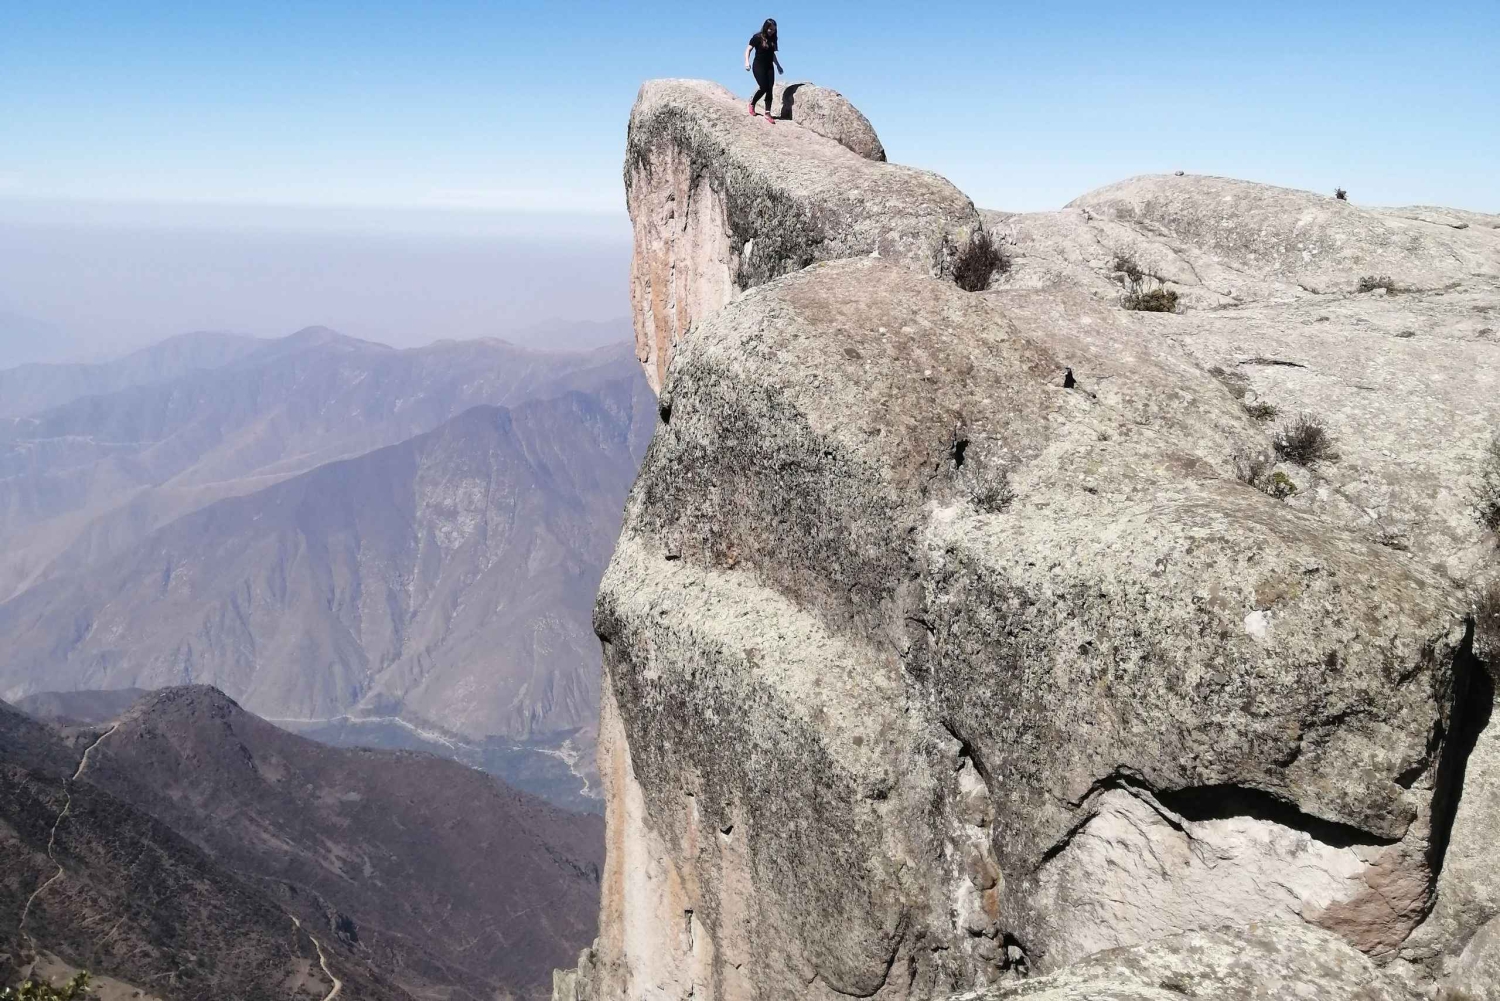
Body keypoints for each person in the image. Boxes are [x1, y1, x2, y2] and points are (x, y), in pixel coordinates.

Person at [744, 19, 782, 121]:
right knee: (764, 87)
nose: (772, 31)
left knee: (770, 88)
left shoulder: (773, 39)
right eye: (770, 29)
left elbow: (772, 54)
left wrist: (778, 66)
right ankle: (752, 103)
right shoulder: (757, 37)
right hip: (758, 66)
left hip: (769, 67)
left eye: (774, 29)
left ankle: (767, 113)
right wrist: (747, 62)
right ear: (766, 27)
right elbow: (748, 49)